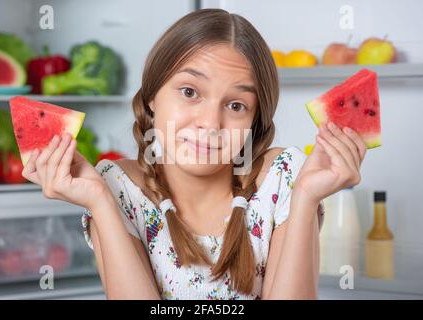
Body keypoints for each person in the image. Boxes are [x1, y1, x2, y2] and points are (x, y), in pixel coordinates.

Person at [22, 9, 366, 300]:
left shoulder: (284, 178)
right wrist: (98, 200)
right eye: (190, 92)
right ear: (152, 96)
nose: (210, 123)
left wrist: (305, 198)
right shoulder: (117, 187)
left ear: (254, 122)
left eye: (236, 105)